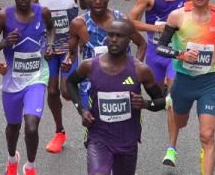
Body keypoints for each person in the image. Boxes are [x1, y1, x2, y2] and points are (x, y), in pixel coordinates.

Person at [155, 0, 215, 174]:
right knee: (181, 122)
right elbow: (161, 47)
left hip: (208, 82)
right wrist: (180, 55)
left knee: (207, 136)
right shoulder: (177, 16)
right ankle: (173, 134)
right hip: (183, 80)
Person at [65, 19, 168, 175]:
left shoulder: (140, 70)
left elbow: (161, 102)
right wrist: (82, 109)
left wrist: (146, 104)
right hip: (99, 138)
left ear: (129, 40)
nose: (113, 39)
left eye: (119, 36)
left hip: (128, 141)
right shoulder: (89, 66)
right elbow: (71, 83)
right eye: (111, 35)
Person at [0, 0, 53, 175]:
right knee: (13, 126)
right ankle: (11, 158)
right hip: (12, 81)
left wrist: (49, 44)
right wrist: (4, 43)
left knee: (31, 126)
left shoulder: (44, 12)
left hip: (37, 77)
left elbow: (51, 30)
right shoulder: (3, 17)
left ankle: (30, 166)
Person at [128, 0, 187, 163]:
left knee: (171, 99)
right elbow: (131, 21)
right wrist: (154, 28)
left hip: (175, 55)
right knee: (158, 99)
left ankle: (171, 148)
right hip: (154, 55)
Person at [34, 0, 88, 154]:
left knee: (67, 90)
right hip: (48, 48)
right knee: (53, 91)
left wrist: (82, 40)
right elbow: (33, 20)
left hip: (69, 48)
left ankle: (87, 114)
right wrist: (42, 45)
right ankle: (59, 131)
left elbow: (89, 9)